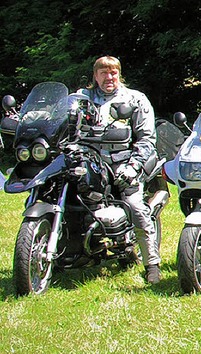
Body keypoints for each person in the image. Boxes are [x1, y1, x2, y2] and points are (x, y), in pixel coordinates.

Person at [78, 56, 162, 284]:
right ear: (95, 76)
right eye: (103, 73)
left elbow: (146, 139)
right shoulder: (81, 99)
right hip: (90, 163)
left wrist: (133, 166)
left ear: (119, 74)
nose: (109, 77)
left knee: (135, 206)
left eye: (113, 72)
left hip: (123, 162)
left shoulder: (135, 99)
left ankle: (152, 265)